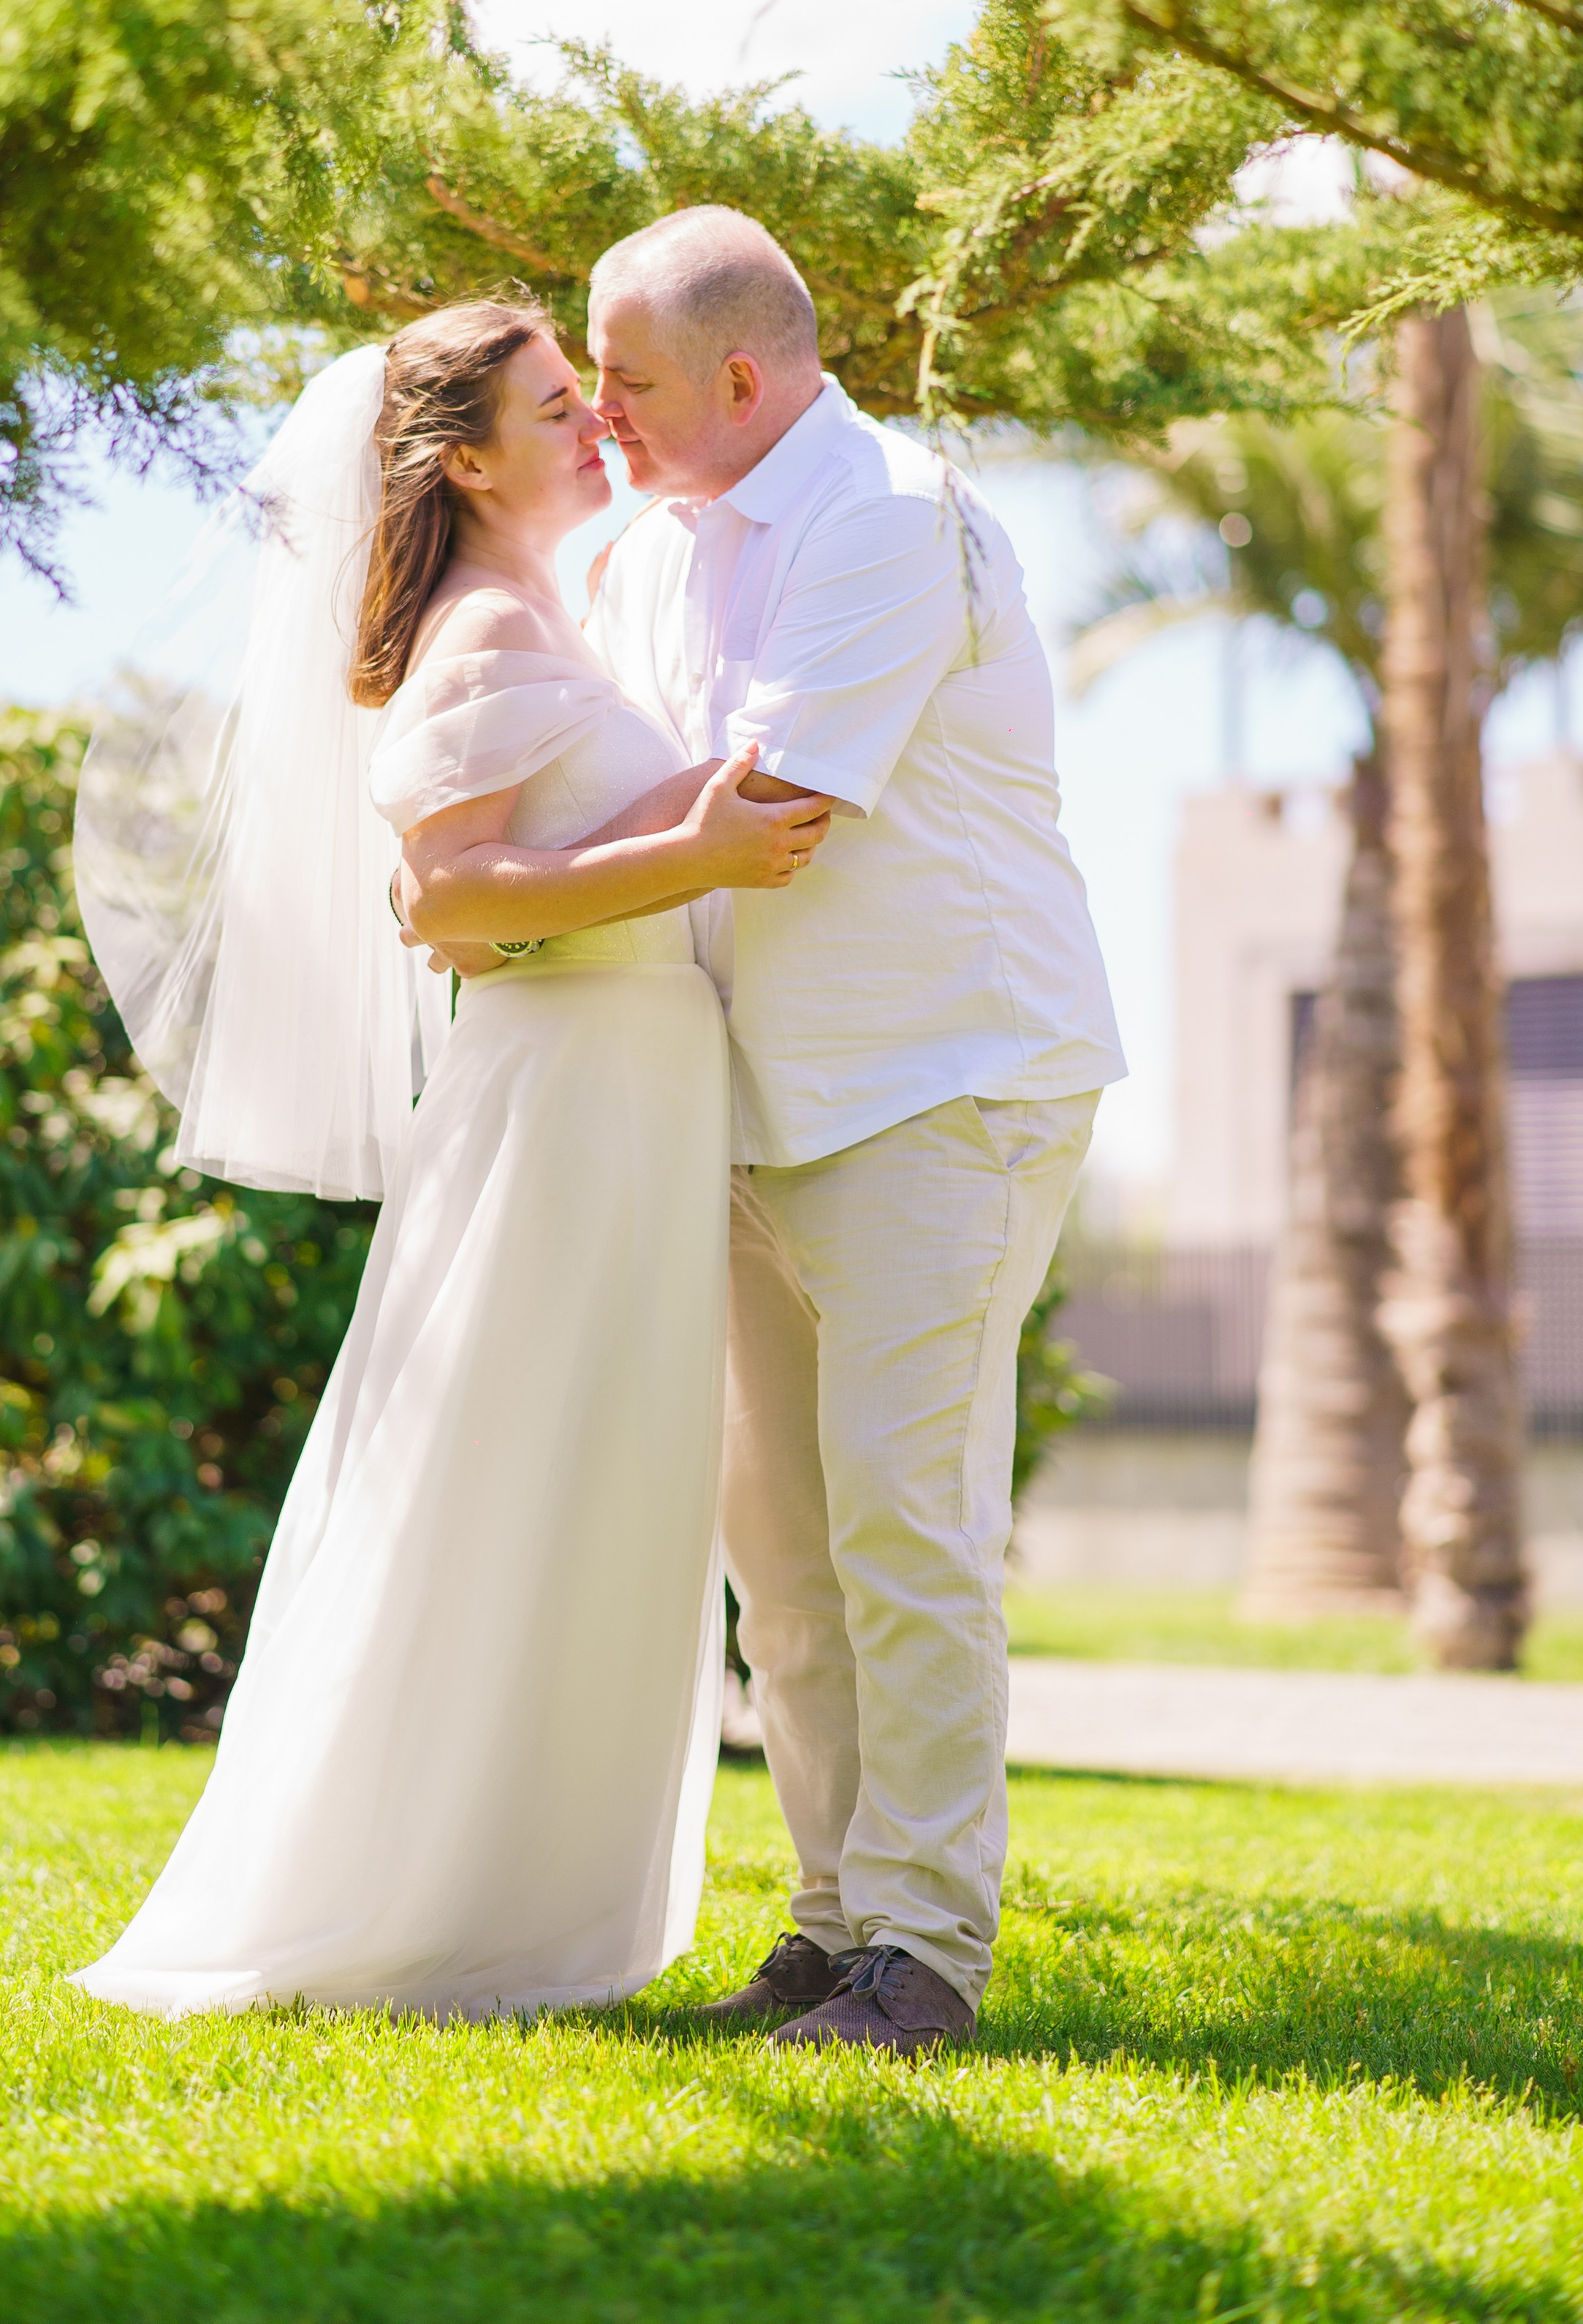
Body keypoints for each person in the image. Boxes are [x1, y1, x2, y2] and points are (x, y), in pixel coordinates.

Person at [68, 300, 829, 2020]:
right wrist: (695, 844)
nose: (593, 428)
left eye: (586, 398)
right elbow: (460, 904)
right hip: (563, 1108)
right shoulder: (480, 632)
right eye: (557, 409)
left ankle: (533, 1898)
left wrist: (674, 826)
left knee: (594, 1491)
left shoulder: (555, 615)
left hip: (638, 1094)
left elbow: (548, 851)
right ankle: (405, 1899)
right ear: (465, 459)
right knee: (504, 1479)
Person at [577, 208, 1126, 2059]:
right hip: (746, 1106)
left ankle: (926, 1955)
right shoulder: (653, 549)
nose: (598, 411)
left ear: (742, 376)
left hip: (938, 1083)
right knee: (784, 1560)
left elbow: (772, 800)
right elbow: (640, 788)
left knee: (908, 1526)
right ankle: (828, 1933)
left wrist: (505, 869)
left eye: (629, 378)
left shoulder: (889, 514)